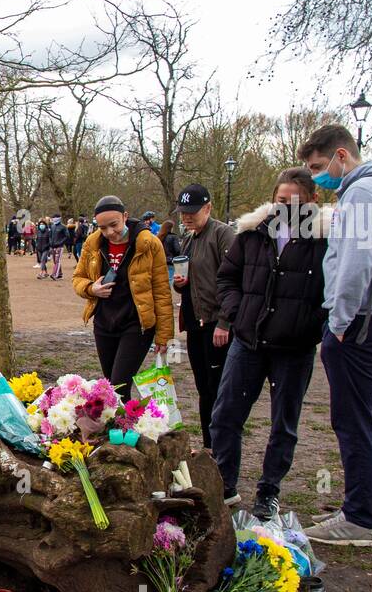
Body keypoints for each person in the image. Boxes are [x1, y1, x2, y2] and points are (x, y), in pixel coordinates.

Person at [298, 124, 372, 547]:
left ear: (342, 156)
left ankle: (359, 517)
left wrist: (339, 322)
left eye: (319, 167)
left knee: (354, 419)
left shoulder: (361, 193)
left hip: (359, 319)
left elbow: (356, 264)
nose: (318, 176)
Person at [210, 167, 328, 518]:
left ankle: (268, 491)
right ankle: (224, 484)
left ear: (313, 200)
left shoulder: (326, 240)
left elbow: (334, 290)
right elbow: (227, 278)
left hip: (295, 348)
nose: (288, 209)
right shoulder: (251, 235)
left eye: (297, 203)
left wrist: (312, 323)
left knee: (284, 423)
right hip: (248, 341)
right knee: (226, 414)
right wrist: (238, 311)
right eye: (281, 202)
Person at [72, 196, 172, 399]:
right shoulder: (93, 243)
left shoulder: (149, 244)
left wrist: (164, 335)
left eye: (114, 225)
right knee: (111, 389)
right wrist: (92, 289)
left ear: (125, 216)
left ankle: (125, 428)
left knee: (119, 385)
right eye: (103, 227)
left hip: (136, 324)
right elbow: (78, 278)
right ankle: (119, 428)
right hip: (104, 322)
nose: (110, 232)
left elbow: (162, 292)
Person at [173, 183, 235, 450]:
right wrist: (179, 283)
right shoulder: (187, 238)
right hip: (195, 324)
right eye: (184, 212)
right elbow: (190, 280)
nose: (187, 217)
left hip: (216, 325)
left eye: (193, 212)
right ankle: (210, 445)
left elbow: (234, 281)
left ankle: (222, 445)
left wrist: (225, 322)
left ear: (208, 208)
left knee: (218, 387)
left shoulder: (223, 235)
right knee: (203, 387)